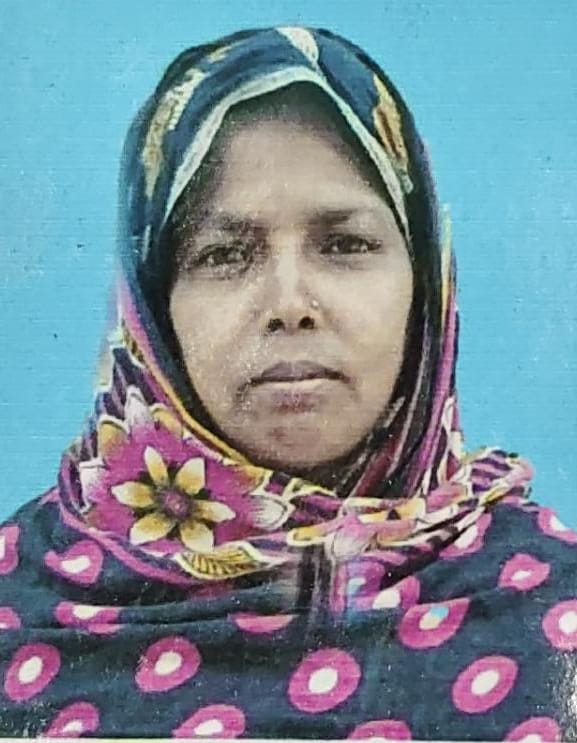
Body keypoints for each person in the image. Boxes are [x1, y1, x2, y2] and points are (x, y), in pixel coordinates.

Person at [0, 25, 575, 740]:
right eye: (223, 254)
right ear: (151, 306)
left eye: (346, 244)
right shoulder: (21, 592)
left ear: (425, 285)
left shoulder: (546, 609)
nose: (290, 303)